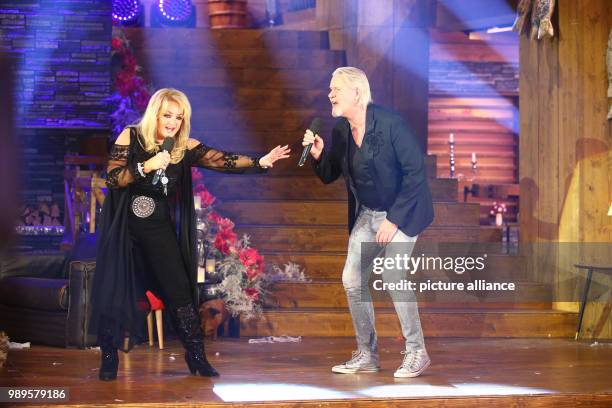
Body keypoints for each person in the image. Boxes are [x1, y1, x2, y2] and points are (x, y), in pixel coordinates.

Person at [90, 88, 290, 381]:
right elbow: (112, 177)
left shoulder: (184, 147)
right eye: (168, 115)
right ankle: (109, 356)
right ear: (155, 113)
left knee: (179, 290)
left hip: (158, 230)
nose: (173, 122)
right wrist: (146, 165)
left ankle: (196, 355)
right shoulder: (130, 137)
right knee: (115, 290)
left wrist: (259, 162)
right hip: (126, 231)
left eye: (179, 117)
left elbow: (223, 160)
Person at [301, 67, 434, 378]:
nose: (330, 94)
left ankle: (417, 352)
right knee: (352, 278)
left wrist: (395, 219)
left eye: (336, 89)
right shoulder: (341, 131)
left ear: (357, 93)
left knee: (391, 274)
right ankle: (367, 354)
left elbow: (416, 175)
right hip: (369, 213)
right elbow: (329, 174)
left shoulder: (390, 124)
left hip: (404, 212)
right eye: (329, 89)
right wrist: (319, 155)